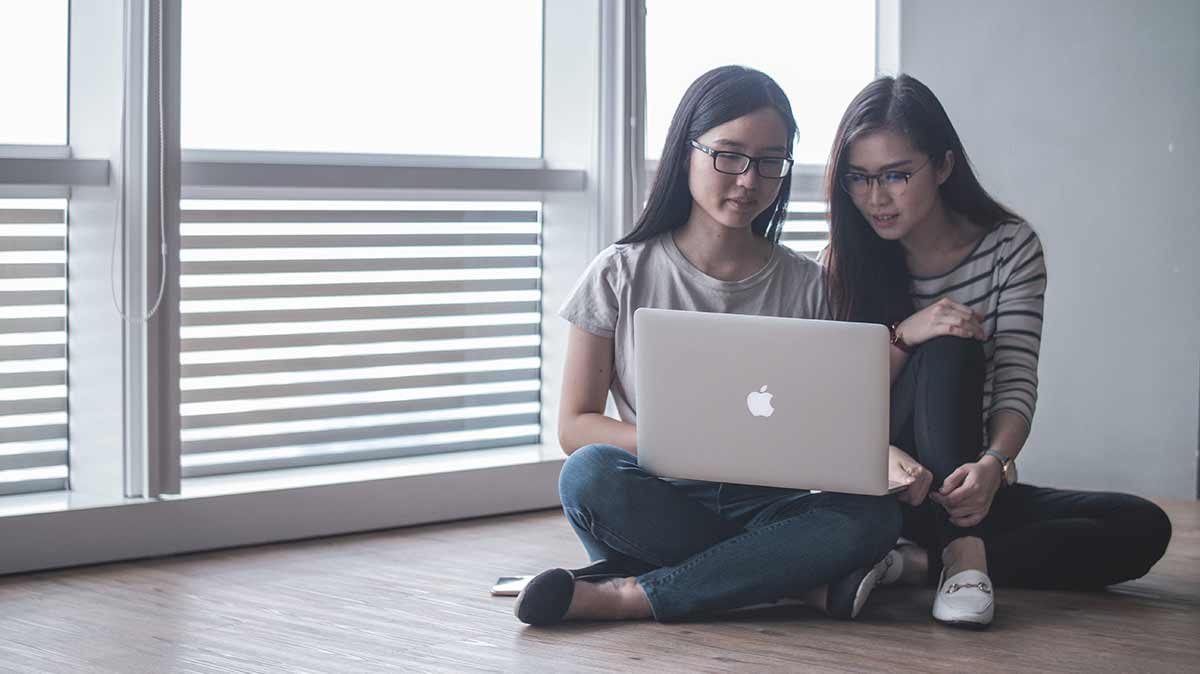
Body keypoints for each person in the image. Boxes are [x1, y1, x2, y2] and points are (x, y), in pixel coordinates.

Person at [513, 65, 912, 626]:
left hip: (773, 501)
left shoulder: (811, 285)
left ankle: (634, 595)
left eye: (771, 161)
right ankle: (788, 581)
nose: (750, 180)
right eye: (730, 155)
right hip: (664, 495)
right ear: (686, 153)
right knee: (586, 475)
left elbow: (828, 425)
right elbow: (576, 426)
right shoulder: (619, 274)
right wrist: (684, 444)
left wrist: (875, 455)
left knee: (870, 517)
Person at [822, 74, 1173, 628]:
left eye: (895, 175)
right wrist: (906, 333)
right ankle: (961, 554)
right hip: (884, 482)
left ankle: (914, 562)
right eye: (859, 178)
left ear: (942, 166)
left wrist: (994, 463)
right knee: (949, 343)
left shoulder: (1010, 247)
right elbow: (836, 403)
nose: (875, 198)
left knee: (1143, 527)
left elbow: (1014, 379)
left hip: (964, 479)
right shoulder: (842, 260)